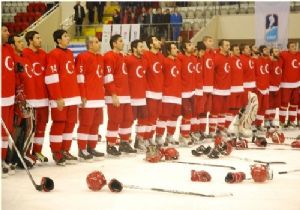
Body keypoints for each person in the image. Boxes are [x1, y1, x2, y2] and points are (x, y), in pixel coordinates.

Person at [45, 29, 81, 165]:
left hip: (73, 96)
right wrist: (57, 97)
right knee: (59, 124)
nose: (68, 37)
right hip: (61, 98)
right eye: (65, 36)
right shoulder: (53, 54)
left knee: (70, 124)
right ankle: (56, 152)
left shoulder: (70, 53)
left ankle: (65, 149)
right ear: (58, 40)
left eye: (67, 35)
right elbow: (51, 77)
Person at [103, 34, 136, 157]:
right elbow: (107, 77)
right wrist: (113, 94)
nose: (123, 43)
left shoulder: (122, 56)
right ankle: (111, 144)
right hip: (115, 94)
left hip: (126, 94)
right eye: (120, 41)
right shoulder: (109, 56)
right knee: (115, 120)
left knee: (128, 119)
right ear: (114, 43)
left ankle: (124, 142)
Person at [8, 34, 37, 168]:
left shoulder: (24, 58)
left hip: (28, 99)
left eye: (21, 41)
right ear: (12, 45)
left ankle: (22, 154)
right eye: (18, 42)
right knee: (17, 129)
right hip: (17, 101)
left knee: (29, 129)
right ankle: (12, 157)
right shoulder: (11, 60)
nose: (22, 44)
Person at [75, 36, 105, 161]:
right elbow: (79, 77)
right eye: (97, 42)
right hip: (88, 97)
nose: (99, 44)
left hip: (98, 96)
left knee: (95, 124)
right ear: (90, 45)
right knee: (85, 124)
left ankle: (91, 147)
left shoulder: (100, 57)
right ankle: (82, 149)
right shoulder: (83, 56)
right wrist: (82, 95)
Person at [23, 31, 49, 163]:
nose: (40, 40)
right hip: (30, 99)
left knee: (41, 127)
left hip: (44, 98)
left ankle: (37, 151)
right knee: (29, 128)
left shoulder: (44, 54)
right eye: (37, 38)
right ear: (30, 40)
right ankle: (26, 153)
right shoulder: (24, 53)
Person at [155, 42, 181, 146]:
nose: (176, 50)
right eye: (174, 48)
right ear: (169, 51)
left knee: (174, 117)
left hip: (177, 94)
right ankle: (158, 136)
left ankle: (170, 136)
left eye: (176, 48)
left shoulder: (179, 62)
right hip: (167, 94)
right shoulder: (164, 61)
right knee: (164, 117)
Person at [125, 39, 148, 152]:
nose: (142, 49)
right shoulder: (128, 60)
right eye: (140, 47)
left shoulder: (144, 60)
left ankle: (139, 141)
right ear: (134, 48)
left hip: (142, 95)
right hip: (131, 96)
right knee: (129, 120)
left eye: (143, 46)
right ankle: (126, 141)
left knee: (143, 119)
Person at [143, 36, 164, 146]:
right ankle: (144, 138)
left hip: (159, 92)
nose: (159, 41)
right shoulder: (146, 55)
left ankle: (150, 136)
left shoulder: (161, 56)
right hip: (149, 91)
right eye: (156, 40)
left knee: (155, 117)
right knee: (148, 117)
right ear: (151, 44)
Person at [1, 25, 16, 177]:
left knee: (5, 132)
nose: (8, 33)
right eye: (4, 30)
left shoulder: (8, 49)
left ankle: (3, 158)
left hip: (9, 98)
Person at [177, 40, 196, 146]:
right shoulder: (180, 58)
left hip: (192, 91)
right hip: (183, 92)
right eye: (189, 45)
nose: (192, 46)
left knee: (190, 115)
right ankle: (184, 135)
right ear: (184, 49)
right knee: (187, 114)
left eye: (192, 44)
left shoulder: (193, 58)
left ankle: (185, 133)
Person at [211, 39, 232, 135]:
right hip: (218, 89)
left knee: (224, 111)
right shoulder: (217, 57)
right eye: (226, 45)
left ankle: (220, 129)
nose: (228, 47)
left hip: (227, 89)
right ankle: (212, 131)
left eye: (229, 45)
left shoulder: (228, 57)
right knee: (215, 111)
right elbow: (211, 72)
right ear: (221, 47)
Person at [279, 42, 300, 128]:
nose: (294, 48)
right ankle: (282, 121)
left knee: (294, 103)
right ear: (288, 48)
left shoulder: (298, 55)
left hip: (297, 84)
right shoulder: (284, 54)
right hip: (286, 84)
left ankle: (291, 120)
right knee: (284, 103)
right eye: (292, 46)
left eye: (295, 46)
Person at [226, 44, 244, 135]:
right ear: (232, 51)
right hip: (233, 88)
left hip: (240, 88)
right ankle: (224, 127)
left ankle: (229, 126)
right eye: (236, 50)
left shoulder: (239, 59)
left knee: (236, 109)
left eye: (238, 50)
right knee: (230, 109)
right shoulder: (229, 59)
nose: (238, 51)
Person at [190, 41, 205, 142]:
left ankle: (197, 130)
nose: (203, 54)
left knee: (198, 112)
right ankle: (192, 131)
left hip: (200, 88)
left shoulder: (200, 59)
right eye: (202, 51)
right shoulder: (192, 59)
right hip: (193, 89)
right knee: (193, 112)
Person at [201, 36, 215, 137]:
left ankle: (204, 130)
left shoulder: (213, 54)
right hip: (202, 86)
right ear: (204, 42)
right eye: (210, 41)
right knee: (200, 110)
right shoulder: (201, 54)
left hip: (211, 86)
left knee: (206, 110)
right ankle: (198, 130)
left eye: (212, 41)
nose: (212, 43)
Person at [254, 45, 271, 131]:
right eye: (265, 49)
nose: (267, 51)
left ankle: (259, 124)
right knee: (257, 107)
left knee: (264, 107)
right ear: (261, 52)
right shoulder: (256, 60)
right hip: (259, 87)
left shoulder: (268, 60)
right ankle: (252, 124)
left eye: (267, 49)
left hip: (266, 87)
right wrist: (256, 86)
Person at [265, 47, 282, 127]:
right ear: (271, 53)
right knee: (269, 105)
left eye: (278, 51)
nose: (278, 53)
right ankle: (266, 120)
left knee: (275, 106)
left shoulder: (280, 61)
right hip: (270, 87)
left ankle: (272, 119)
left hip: (277, 87)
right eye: (275, 51)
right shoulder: (268, 61)